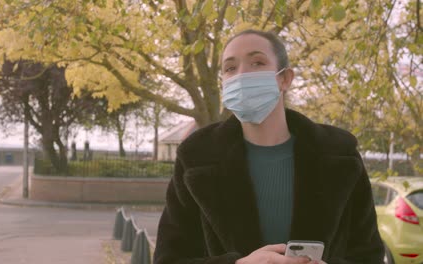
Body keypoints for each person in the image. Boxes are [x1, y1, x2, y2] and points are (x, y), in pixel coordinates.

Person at [153, 29, 384, 264]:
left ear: (284, 79)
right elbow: (167, 259)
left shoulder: (340, 155)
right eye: (230, 68)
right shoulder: (196, 157)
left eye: (257, 62)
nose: (242, 75)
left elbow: (369, 256)